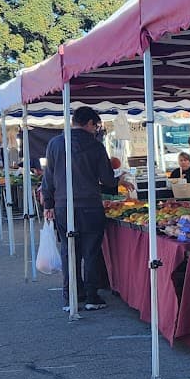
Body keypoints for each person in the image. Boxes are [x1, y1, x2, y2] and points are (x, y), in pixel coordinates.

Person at [41, 106, 119, 312]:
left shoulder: (55, 144)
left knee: (69, 251)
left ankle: (71, 297)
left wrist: (48, 204)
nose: (97, 130)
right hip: (90, 206)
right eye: (97, 126)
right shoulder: (95, 146)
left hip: (63, 206)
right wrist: (118, 178)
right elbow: (108, 180)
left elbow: (47, 177)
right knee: (91, 252)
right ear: (91, 124)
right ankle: (92, 296)